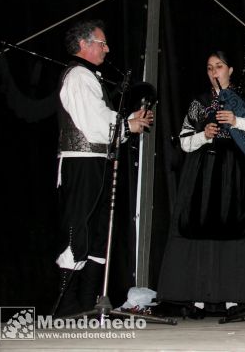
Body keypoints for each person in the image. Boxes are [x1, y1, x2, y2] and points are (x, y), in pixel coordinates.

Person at [156, 51, 245, 316]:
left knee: (234, 228)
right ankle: (196, 296)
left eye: (219, 66)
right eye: (209, 68)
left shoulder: (242, 98)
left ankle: (235, 296)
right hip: (203, 171)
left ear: (230, 70)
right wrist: (204, 135)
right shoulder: (200, 102)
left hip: (235, 170)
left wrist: (236, 120)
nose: (214, 72)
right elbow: (184, 141)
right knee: (199, 228)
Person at [55, 20, 153, 316]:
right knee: (79, 231)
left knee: (98, 233)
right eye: (102, 43)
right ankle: (66, 306)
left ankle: (87, 303)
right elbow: (95, 124)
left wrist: (128, 121)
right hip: (81, 163)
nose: (107, 49)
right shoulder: (79, 76)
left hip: (97, 161)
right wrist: (127, 125)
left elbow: (103, 117)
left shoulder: (89, 77)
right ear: (84, 44)